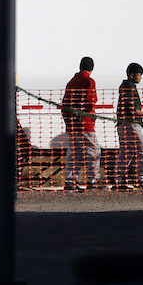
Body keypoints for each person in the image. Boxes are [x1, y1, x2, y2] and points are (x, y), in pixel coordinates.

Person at [63, 57, 100, 191]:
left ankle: (70, 181)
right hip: (85, 122)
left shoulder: (71, 82)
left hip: (72, 124)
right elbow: (90, 100)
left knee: (74, 153)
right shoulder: (89, 81)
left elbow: (64, 104)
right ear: (92, 68)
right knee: (93, 151)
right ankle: (92, 180)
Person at [115, 63, 143, 190]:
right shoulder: (130, 87)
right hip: (131, 124)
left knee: (126, 153)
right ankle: (142, 179)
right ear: (132, 75)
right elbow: (131, 109)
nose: (141, 77)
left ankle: (118, 181)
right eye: (139, 74)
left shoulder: (125, 86)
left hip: (122, 124)